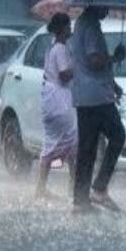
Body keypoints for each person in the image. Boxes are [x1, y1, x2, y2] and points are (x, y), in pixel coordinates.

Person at [70, 5, 126, 213]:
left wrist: (114, 85)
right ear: (96, 4)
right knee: (118, 136)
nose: (108, 9)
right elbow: (94, 61)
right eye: (105, 5)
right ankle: (99, 188)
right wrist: (115, 58)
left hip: (84, 96)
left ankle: (80, 200)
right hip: (97, 97)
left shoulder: (81, 24)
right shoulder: (91, 25)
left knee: (87, 149)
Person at [35, 13, 77, 199]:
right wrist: (78, 66)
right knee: (74, 142)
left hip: (51, 100)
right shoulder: (60, 48)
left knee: (52, 143)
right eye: (68, 26)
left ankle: (42, 187)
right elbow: (64, 75)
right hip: (59, 101)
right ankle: (73, 185)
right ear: (62, 29)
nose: (71, 30)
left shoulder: (53, 47)